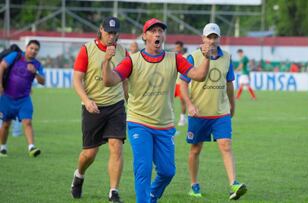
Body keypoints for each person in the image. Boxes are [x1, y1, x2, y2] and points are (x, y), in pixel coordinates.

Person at [102, 18, 211, 203]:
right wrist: (106, 61)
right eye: (153, 31)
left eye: (160, 30)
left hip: (164, 125)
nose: (157, 34)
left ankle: (153, 195)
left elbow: (199, 76)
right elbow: (109, 81)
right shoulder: (132, 61)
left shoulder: (175, 59)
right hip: (139, 123)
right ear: (145, 36)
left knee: (168, 172)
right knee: (143, 169)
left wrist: (207, 58)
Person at [180, 23, 247, 200]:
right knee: (195, 150)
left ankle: (234, 184)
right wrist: (189, 104)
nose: (212, 40)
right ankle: (194, 185)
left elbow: (229, 84)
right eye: (208, 37)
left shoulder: (227, 57)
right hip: (199, 113)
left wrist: (232, 105)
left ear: (219, 38)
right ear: (203, 38)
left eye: (215, 37)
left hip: (221, 112)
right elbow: (183, 84)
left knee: (226, 145)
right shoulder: (192, 57)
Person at [70, 16, 127, 203]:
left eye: (115, 33)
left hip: (116, 106)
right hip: (93, 107)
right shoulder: (87, 49)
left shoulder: (123, 52)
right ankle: (79, 175)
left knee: (116, 146)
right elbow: (77, 79)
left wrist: (130, 100)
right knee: (89, 153)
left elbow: (125, 80)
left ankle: (113, 192)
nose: (112, 36)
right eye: (108, 32)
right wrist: (86, 100)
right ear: (101, 30)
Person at [0, 40, 45, 157]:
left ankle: (31, 147)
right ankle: (3, 147)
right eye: (32, 48)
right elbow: (2, 66)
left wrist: (35, 72)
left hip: (24, 99)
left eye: (36, 49)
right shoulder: (16, 56)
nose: (33, 51)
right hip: (7, 97)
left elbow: (43, 81)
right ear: (26, 47)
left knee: (28, 122)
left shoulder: (37, 64)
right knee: (5, 124)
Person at [174, 41, 187, 126]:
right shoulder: (174, 56)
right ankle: (169, 119)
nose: (177, 49)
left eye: (178, 47)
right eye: (176, 47)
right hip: (174, 83)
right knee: (168, 101)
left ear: (182, 47)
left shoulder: (186, 57)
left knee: (183, 101)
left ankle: (182, 118)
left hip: (182, 83)